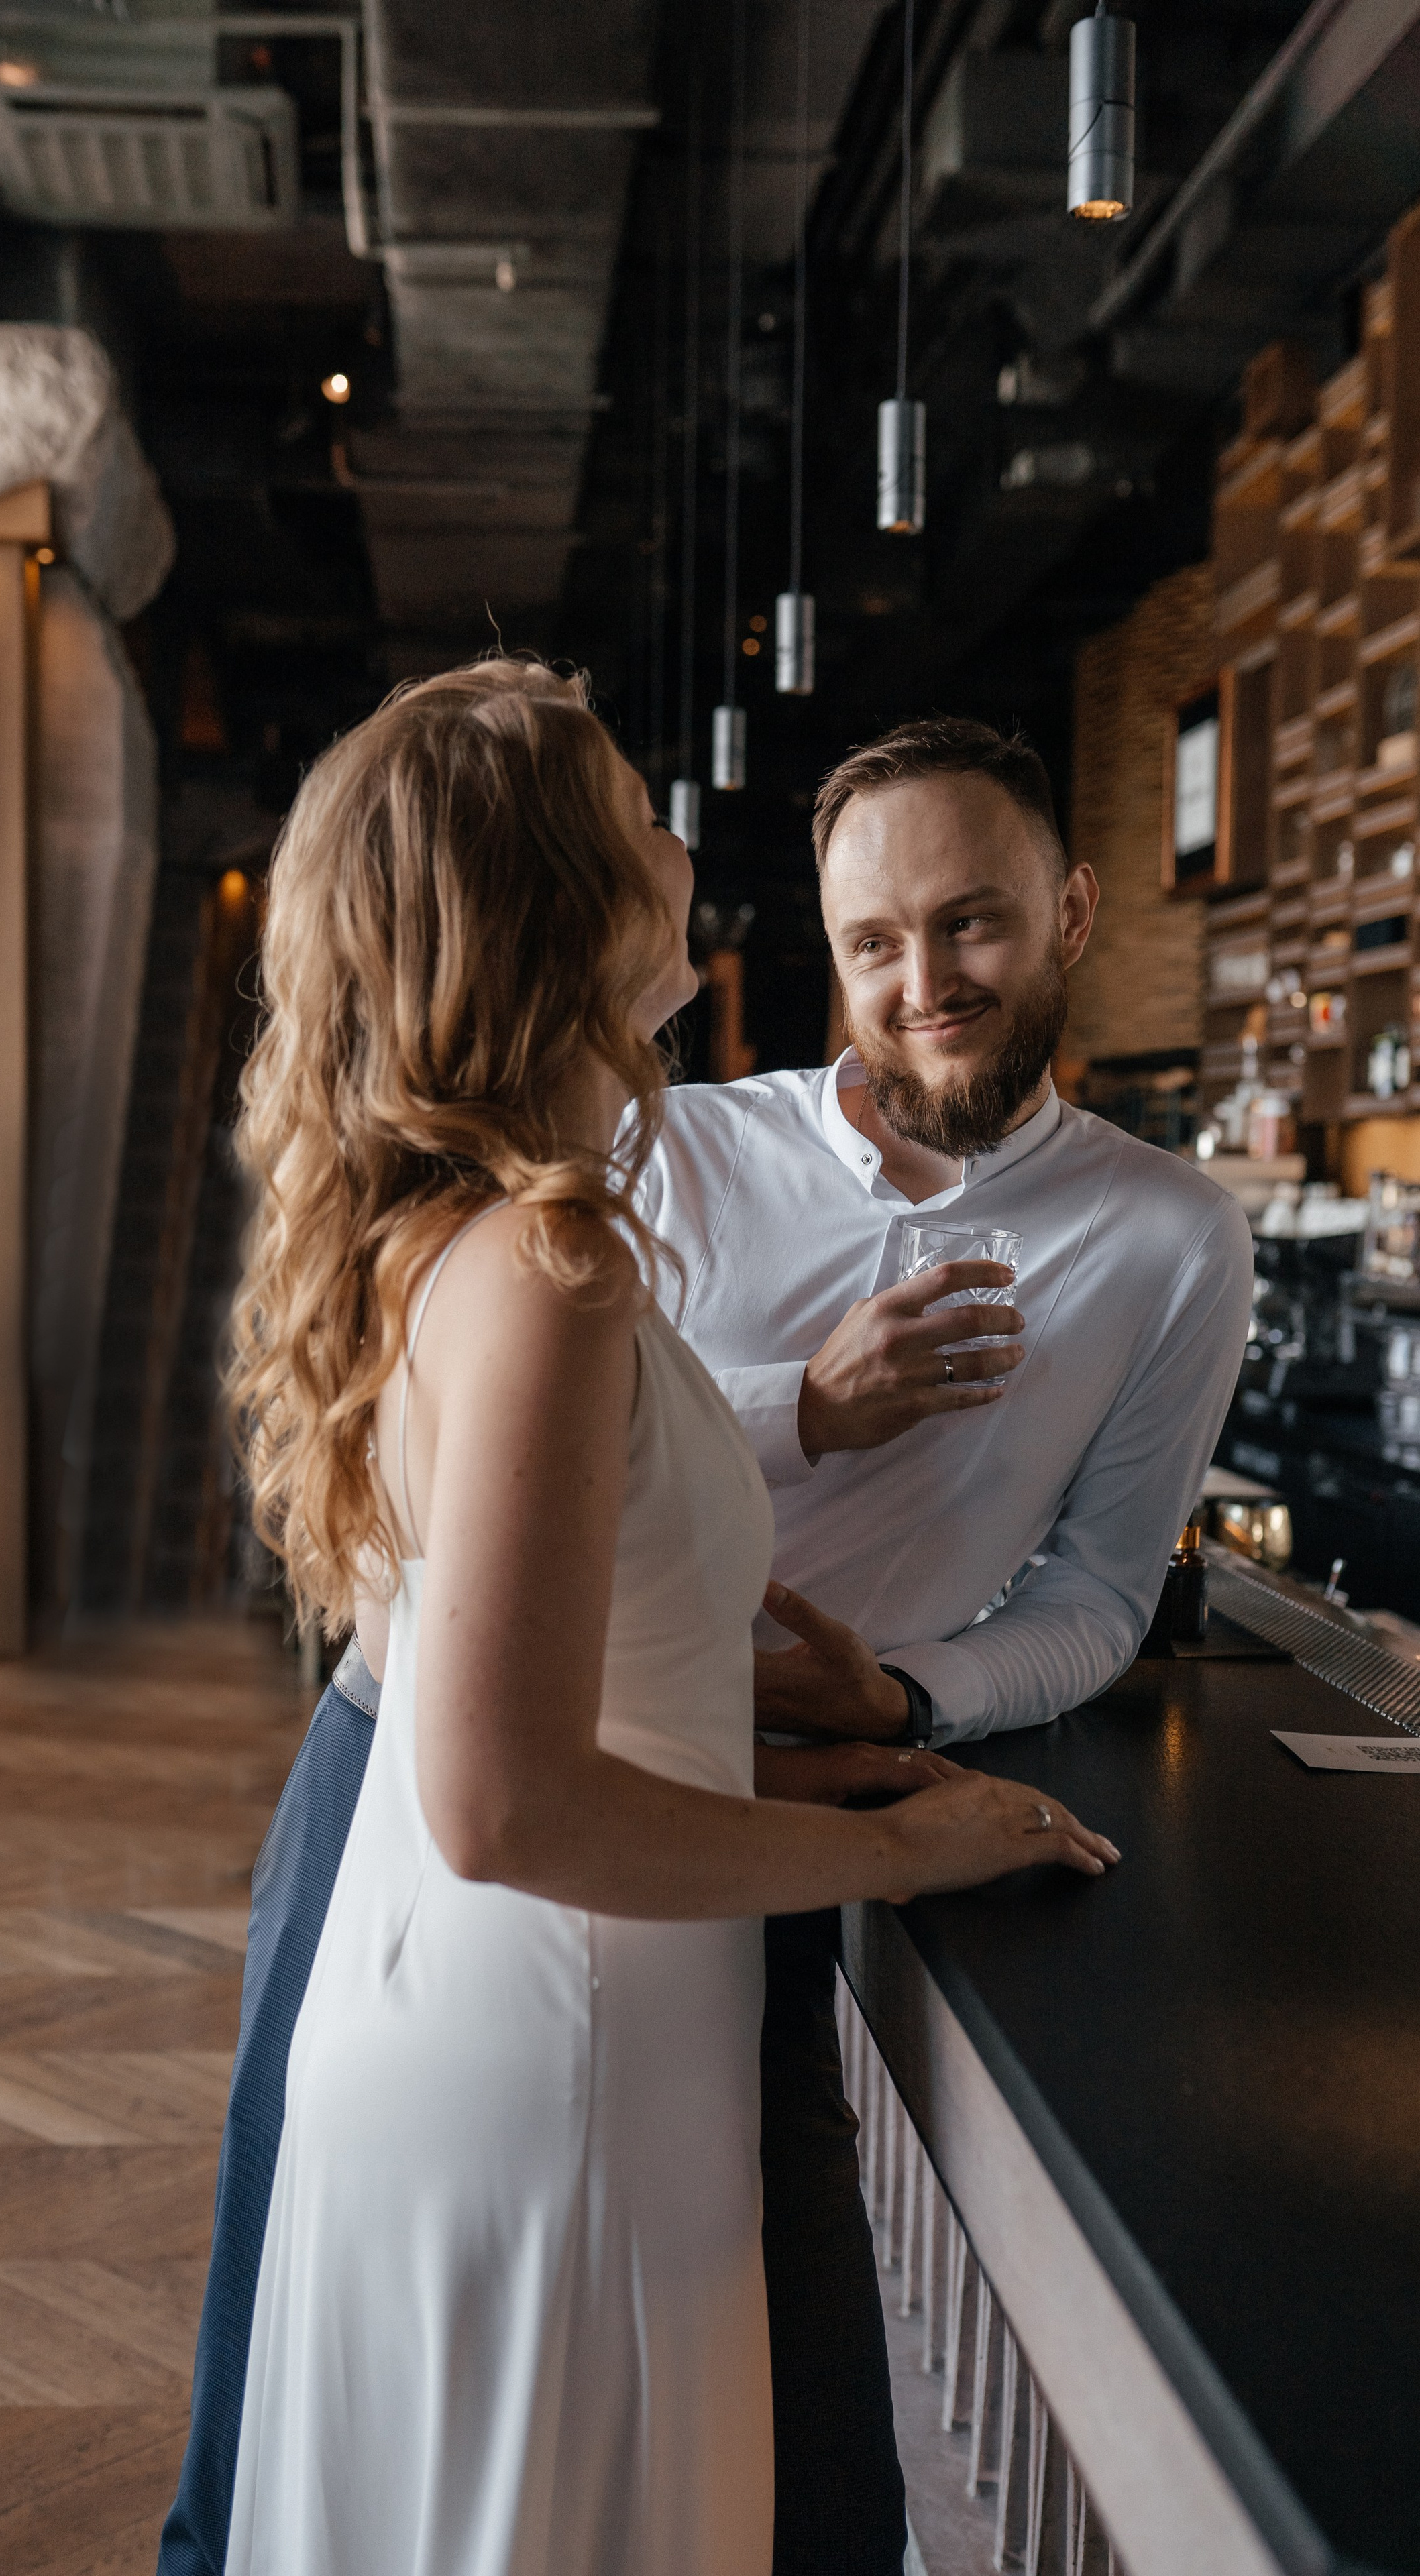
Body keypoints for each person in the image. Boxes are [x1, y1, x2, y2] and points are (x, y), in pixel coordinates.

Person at [196, 661, 1114, 2576]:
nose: (678, 835)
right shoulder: (547, 1263)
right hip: (560, 2050)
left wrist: (809, 1758)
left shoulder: (471, 1232)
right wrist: (911, 1848)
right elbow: (505, 1804)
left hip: (528, 2018)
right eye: (633, 803)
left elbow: (560, 1685)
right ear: (563, 900)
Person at [632, 716, 1255, 2572]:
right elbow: (516, 1463)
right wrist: (799, 1409)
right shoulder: (674, 1151)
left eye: (971, 922)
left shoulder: (1169, 1240)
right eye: (875, 941)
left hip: (806, 1844)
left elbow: (1099, 1598)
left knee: (802, 2409)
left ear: (1072, 912)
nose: (926, 984)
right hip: (580, 1795)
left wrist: (909, 1696)